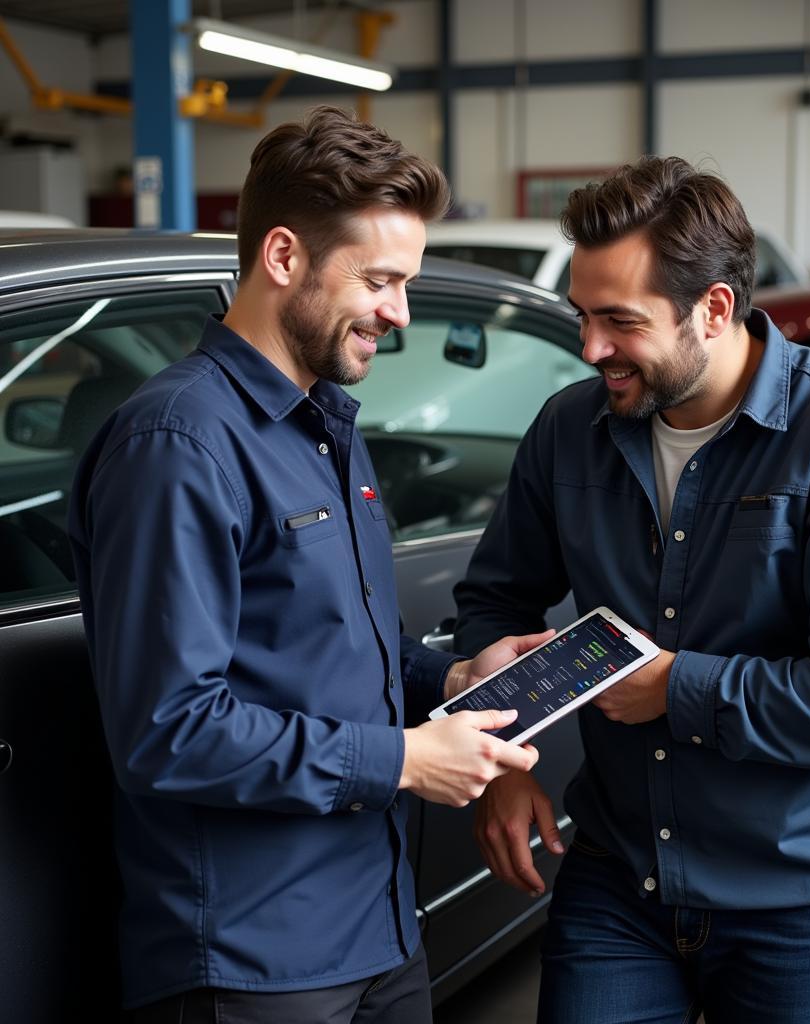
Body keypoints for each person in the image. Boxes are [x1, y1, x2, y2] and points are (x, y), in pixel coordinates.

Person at [67, 106, 552, 1023]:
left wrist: (449, 675)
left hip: (375, 925)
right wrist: (404, 762)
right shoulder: (178, 445)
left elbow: (323, 647)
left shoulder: (323, 421)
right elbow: (170, 730)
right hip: (255, 962)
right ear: (283, 256)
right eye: (379, 279)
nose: (399, 313)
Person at [456, 156, 810, 1024]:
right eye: (582, 316)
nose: (591, 348)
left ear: (714, 309)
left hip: (800, 894)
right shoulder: (569, 430)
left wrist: (676, 689)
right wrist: (499, 755)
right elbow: (493, 601)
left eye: (619, 321)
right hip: (619, 871)